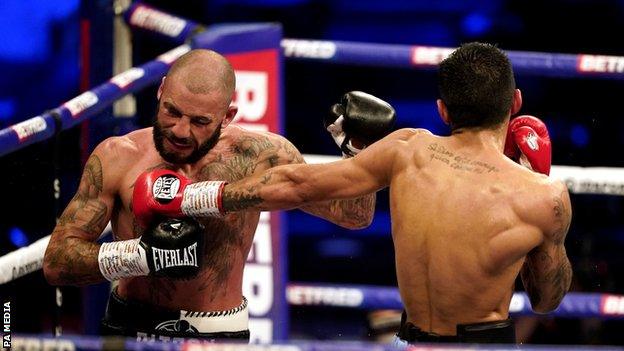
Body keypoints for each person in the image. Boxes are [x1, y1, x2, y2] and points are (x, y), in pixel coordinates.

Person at [149, 42, 573, 344]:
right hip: (485, 341)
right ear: (514, 102)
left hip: (410, 340)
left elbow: (295, 183)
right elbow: (546, 299)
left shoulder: (407, 148)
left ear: (442, 109)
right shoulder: (544, 196)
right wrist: (534, 178)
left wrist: (189, 197)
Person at [42, 49, 396, 341]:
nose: (181, 130)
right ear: (161, 91)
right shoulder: (118, 155)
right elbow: (57, 262)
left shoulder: (261, 156)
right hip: (128, 327)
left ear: (227, 116)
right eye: (172, 112)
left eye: (199, 122)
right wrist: (139, 256)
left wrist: (358, 150)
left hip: (218, 333)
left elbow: (353, 216)